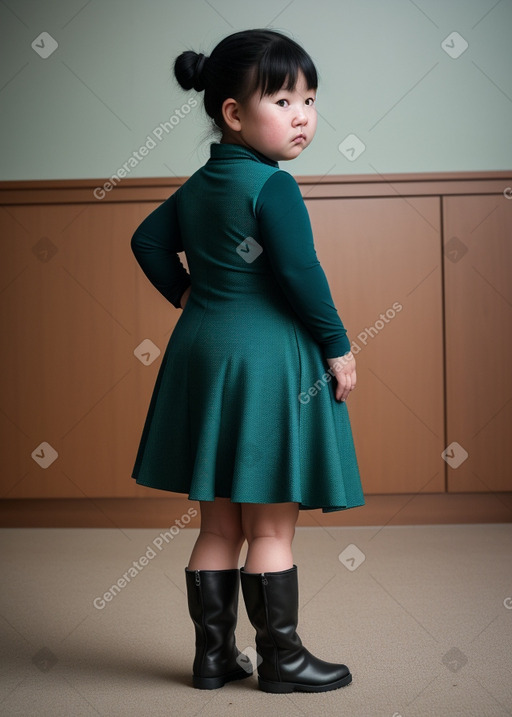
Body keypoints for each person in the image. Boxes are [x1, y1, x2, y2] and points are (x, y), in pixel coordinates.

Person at [130, 28, 365, 694]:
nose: (302, 115)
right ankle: (282, 661)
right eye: (284, 99)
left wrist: (188, 292)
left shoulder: (202, 183)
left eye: (310, 100)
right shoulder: (273, 187)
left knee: (219, 520)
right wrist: (338, 344)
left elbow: (147, 241)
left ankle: (213, 658)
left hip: (203, 353)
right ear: (233, 113)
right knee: (268, 519)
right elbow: (299, 272)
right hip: (267, 363)